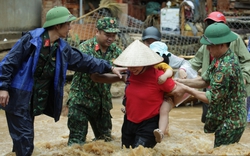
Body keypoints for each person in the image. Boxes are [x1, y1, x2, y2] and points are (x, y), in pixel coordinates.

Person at [0, 6, 125, 156]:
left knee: (23, 140)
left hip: (32, 100)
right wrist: (3, 87)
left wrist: (110, 67)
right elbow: (9, 62)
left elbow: (85, 61)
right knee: (25, 140)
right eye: (67, 24)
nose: (70, 28)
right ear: (58, 25)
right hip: (19, 96)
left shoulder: (61, 48)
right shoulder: (32, 39)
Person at [176, 23, 247, 148]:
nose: (207, 49)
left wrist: (187, 89)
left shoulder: (226, 66)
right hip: (224, 119)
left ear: (221, 44)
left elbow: (211, 98)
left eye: (210, 46)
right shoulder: (219, 58)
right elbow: (205, 80)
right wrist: (181, 82)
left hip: (231, 123)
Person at [114, 40, 186, 148]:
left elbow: (178, 91)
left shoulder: (159, 76)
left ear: (145, 62)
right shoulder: (130, 74)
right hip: (129, 122)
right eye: (130, 65)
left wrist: (168, 105)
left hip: (149, 124)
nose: (132, 68)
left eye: (136, 65)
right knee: (125, 151)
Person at [67, 17, 125, 146]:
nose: (110, 38)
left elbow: (128, 67)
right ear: (97, 32)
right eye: (107, 34)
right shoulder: (86, 48)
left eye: (113, 35)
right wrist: (122, 78)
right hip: (81, 102)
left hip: (102, 103)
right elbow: (96, 77)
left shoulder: (116, 50)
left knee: (105, 143)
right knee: (76, 144)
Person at [189, 11, 250, 123]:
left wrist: (244, 76)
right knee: (209, 121)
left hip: (229, 88)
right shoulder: (207, 40)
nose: (213, 26)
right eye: (210, 23)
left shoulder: (235, 39)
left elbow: (247, 60)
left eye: (216, 23)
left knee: (229, 122)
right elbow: (195, 61)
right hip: (210, 85)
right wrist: (184, 71)